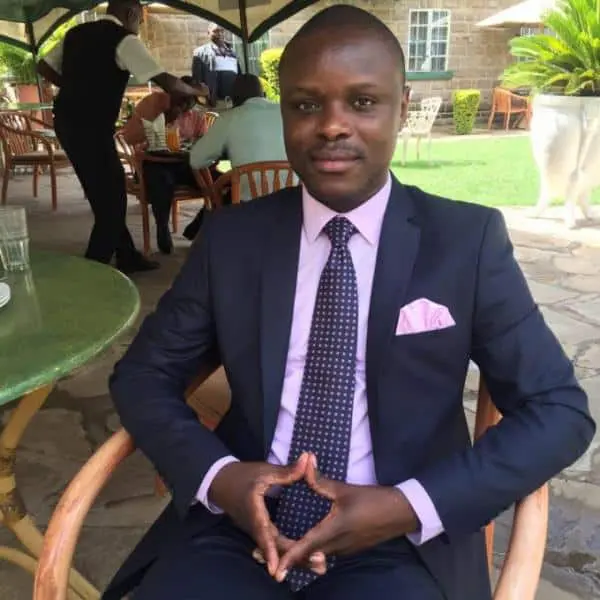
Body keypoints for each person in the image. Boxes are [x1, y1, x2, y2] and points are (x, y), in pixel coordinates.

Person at [105, 5, 595, 600]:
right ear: (284, 113)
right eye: (305, 105)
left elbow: (558, 410)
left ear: (401, 107)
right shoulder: (233, 239)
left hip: (397, 536)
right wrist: (221, 478)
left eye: (363, 102)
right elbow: (143, 375)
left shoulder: (464, 242)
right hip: (241, 526)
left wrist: (409, 505)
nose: (332, 126)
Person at [37, 0, 206, 273]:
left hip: (67, 122)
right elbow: (166, 81)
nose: (140, 25)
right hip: (91, 126)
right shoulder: (123, 39)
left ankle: (127, 255)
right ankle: (94, 271)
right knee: (113, 200)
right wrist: (198, 91)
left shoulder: (76, 34)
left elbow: (43, 67)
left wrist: (75, 86)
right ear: (131, 13)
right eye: (140, 20)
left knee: (102, 192)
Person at [182, 72, 287, 240]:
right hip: (292, 198)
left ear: (233, 99)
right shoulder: (286, 113)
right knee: (227, 190)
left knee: (223, 194)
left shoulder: (230, 118)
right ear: (263, 94)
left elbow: (196, 159)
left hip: (247, 202)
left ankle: (211, 242)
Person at [120, 75, 210, 254]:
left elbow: (204, 142)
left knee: (218, 182)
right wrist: (164, 118)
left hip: (184, 164)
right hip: (154, 163)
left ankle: (196, 228)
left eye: (192, 99)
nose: (187, 103)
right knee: (162, 182)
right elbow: (129, 137)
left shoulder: (196, 116)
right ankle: (162, 227)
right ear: (173, 94)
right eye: (183, 98)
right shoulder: (153, 105)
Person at [192, 22, 241, 108]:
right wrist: (204, 102)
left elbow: (239, 77)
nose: (220, 33)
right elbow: (197, 81)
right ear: (208, 33)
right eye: (216, 31)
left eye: (222, 31)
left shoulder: (233, 53)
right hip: (214, 103)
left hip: (232, 102)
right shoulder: (200, 53)